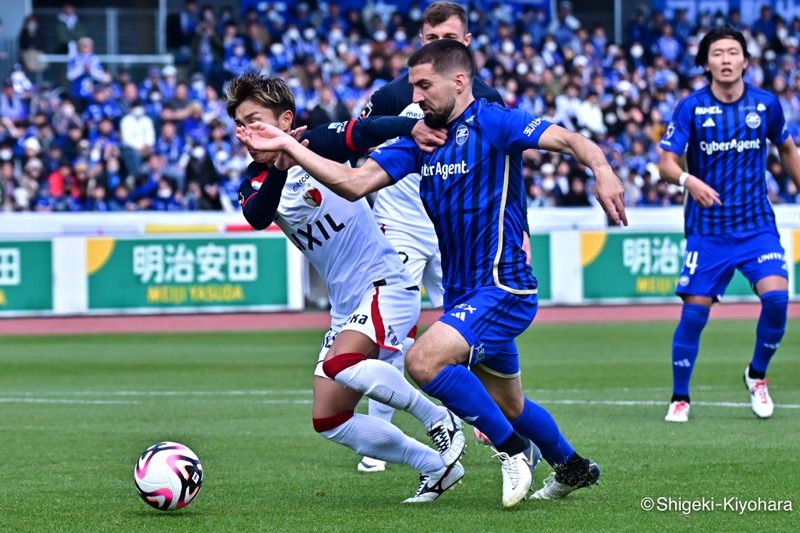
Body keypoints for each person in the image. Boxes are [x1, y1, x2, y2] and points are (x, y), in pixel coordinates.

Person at [236, 40, 627, 508]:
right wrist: (287, 150)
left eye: (424, 86)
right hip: (463, 294)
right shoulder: (423, 143)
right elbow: (356, 182)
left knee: (423, 362)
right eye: (413, 86)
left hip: (503, 285)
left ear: (458, 82)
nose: (416, 97)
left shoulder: (494, 121)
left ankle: (513, 450)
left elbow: (568, 139)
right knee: (509, 405)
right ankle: (573, 466)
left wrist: (602, 169)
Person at [225, 73, 466, 503]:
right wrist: (281, 162)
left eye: (255, 120)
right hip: (347, 306)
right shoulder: (254, 181)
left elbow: (362, 131)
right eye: (240, 124)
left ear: (285, 120)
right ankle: (433, 467)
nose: (247, 133)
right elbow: (260, 215)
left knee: (343, 365)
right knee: (329, 418)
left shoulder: (316, 143)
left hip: (386, 283)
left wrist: (407, 126)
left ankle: (439, 418)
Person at [354, 1, 526, 474]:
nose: (437, 46)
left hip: (460, 233)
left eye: (446, 38)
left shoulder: (485, 99)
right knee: (393, 331)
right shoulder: (394, 94)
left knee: (466, 330)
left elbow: (511, 169)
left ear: (465, 44)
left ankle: (481, 416)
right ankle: (379, 439)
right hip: (402, 224)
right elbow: (358, 146)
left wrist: (522, 234)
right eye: (429, 40)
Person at [659, 26, 800, 423]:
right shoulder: (690, 107)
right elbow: (666, 162)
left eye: (733, 52)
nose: (725, 59)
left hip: (757, 227)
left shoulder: (766, 104)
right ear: (706, 63)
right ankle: (680, 397)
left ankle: (757, 376)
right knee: (693, 315)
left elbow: (787, 148)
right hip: (708, 231)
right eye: (717, 53)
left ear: (745, 61)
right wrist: (690, 180)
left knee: (777, 299)